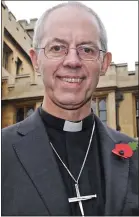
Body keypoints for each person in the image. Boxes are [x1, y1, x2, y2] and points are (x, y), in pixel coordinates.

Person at [2, 2, 138, 216]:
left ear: (104, 63)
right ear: (35, 60)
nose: (72, 61)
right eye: (57, 48)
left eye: (86, 49)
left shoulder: (134, 155)